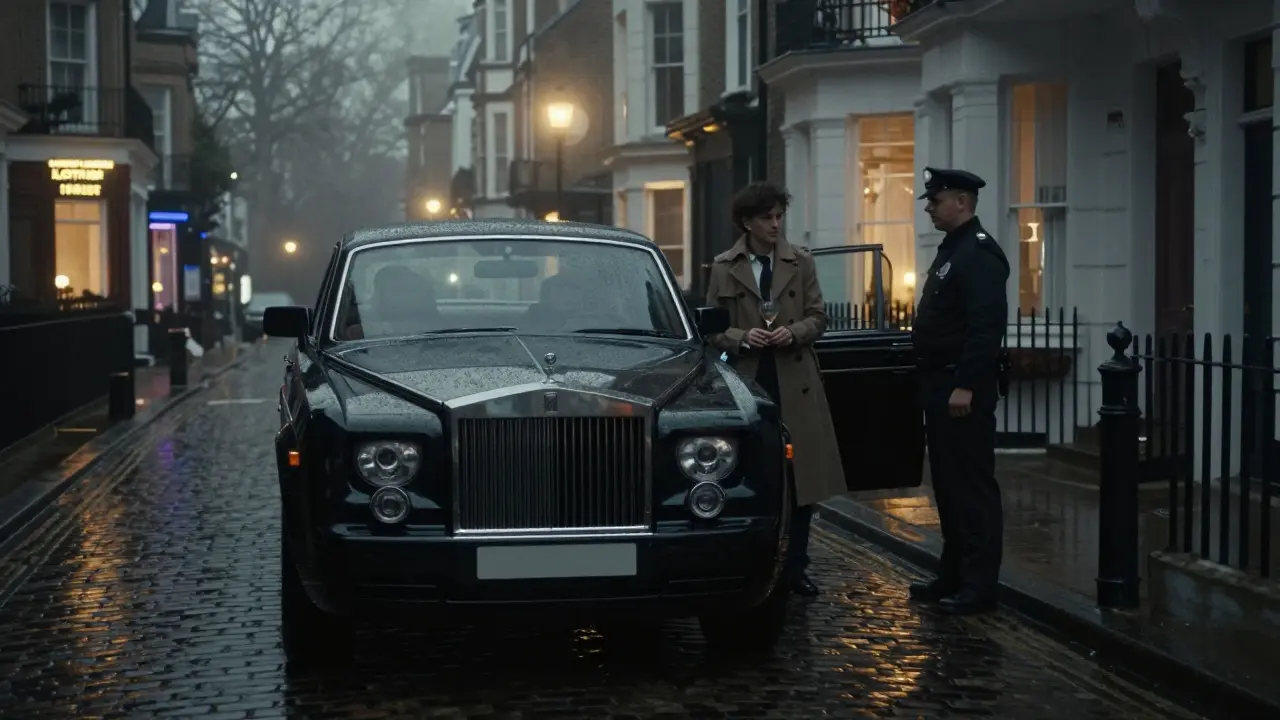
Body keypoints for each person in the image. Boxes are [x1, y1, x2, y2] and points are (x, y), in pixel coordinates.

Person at [703, 181, 846, 597]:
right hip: (748, 381)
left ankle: (796, 568)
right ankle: (749, 564)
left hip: (795, 382)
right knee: (750, 475)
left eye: (779, 216)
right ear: (746, 222)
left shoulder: (800, 262)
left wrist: (793, 332)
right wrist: (744, 337)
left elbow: (819, 317)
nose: (775, 224)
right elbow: (713, 329)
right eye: (766, 217)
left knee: (801, 483)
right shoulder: (723, 265)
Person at [908, 167, 1010, 615]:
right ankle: (952, 573)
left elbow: (985, 328)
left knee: (971, 487)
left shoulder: (980, 253)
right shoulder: (955, 249)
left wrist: (966, 383)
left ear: (962, 202)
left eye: (936, 199)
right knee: (948, 487)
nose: (929, 207)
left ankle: (979, 585)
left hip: (960, 387)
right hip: (940, 382)